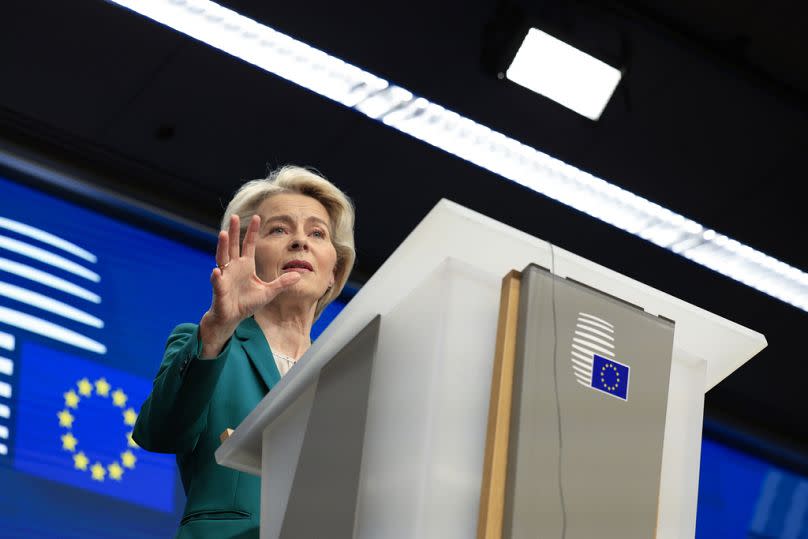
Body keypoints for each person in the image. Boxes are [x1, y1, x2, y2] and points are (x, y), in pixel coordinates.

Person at [133, 165, 356, 539]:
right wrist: (218, 328)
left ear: (335, 270)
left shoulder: (349, 377)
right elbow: (159, 433)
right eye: (279, 229)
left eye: (317, 233)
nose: (300, 241)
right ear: (246, 254)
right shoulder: (209, 344)